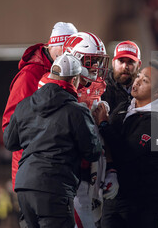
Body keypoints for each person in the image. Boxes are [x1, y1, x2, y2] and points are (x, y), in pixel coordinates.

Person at [3, 53, 102, 228]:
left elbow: (10, 142)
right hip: (54, 187)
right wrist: (102, 124)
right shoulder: (77, 111)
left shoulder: (24, 105)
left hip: (24, 186)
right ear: (73, 80)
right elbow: (92, 151)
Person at [94, 64, 158, 228]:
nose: (137, 82)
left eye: (145, 80)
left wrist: (104, 124)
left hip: (141, 202)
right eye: (138, 76)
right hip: (117, 194)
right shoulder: (127, 106)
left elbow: (127, 152)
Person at [2, 22, 78, 191]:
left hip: (54, 167)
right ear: (55, 44)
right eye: (67, 49)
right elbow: (10, 125)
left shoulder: (65, 69)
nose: (70, 55)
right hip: (32, 170)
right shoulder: (29, 75)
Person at [61, 32, 116, 228]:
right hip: (74, 174)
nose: (96, 67)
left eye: (98, 61)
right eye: (91, 61)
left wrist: (110, 169)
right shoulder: (57, 88)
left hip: (93, 173)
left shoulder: (97, 86)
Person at [101, 40, 142, 113]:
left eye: (130, 62)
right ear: (113, 63)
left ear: (139, 65)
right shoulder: (101, 88)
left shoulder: (147, 89)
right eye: (121, 61)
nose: (125, 67)